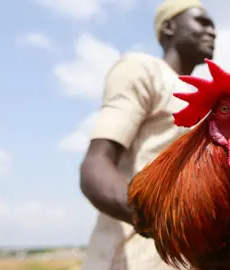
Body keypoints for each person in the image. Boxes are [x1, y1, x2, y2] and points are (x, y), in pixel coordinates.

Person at [78, 0, 216, 269]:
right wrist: (161, 217)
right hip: (133, 257)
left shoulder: (210, 101)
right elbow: (96, 164)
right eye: (202, 21)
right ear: (169, 27)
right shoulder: (144, 70)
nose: (213, 31)